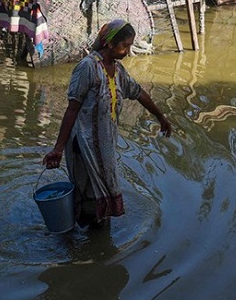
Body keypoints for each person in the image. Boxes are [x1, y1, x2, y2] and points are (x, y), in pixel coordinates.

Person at [43, 19, 172, 228]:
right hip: (83, 145)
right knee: (88, 194)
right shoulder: (88, 68)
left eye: (130, 46)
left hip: (104, 145)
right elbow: (72, 109)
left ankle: (90, 238)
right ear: (110, 44)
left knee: (102, 194)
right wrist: (58, 148)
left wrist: (161, 117)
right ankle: (80, 243)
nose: (128, 51)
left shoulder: (118, 71)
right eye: (125, 46)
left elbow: (138, 93)